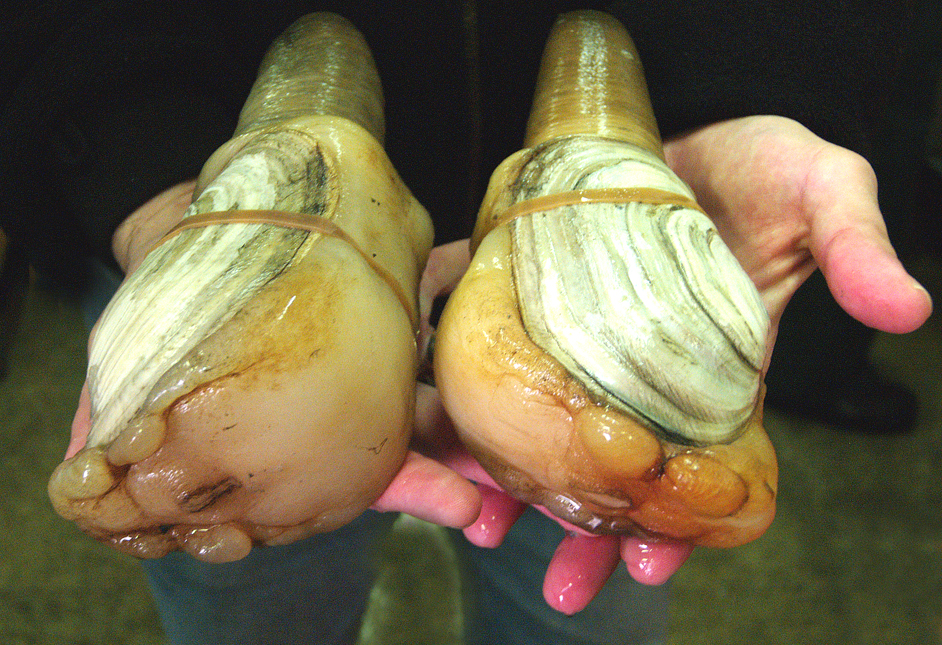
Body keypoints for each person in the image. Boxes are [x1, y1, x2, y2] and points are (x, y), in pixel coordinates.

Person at [0, 1, 935, 643]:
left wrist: (765, 82)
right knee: (261, 604)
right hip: (179, 166)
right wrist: (131, 155)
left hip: (653, 171)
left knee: (567, 611)